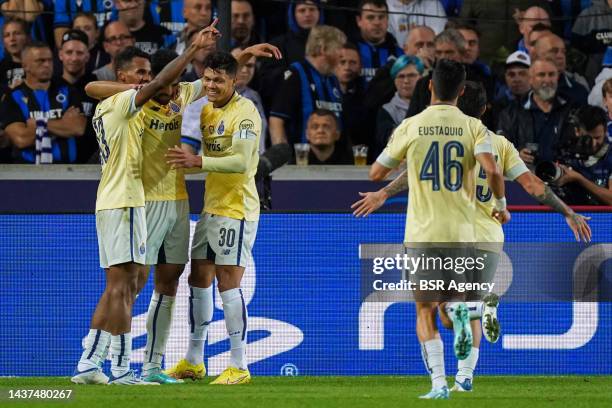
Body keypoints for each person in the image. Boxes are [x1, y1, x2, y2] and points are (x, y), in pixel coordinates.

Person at [353, 80, 592, 393]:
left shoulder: (438, 137)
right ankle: (465, 378)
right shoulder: (500, 144)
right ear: (485, 109)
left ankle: (447, 375)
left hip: (446, 232)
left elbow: (415, 174)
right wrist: (567, 212)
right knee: (458, 311)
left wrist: (383, 193)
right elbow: (534, 185)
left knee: (438, 311)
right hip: (488, 239)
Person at [70, 24, 220, 385]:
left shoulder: (113, 106)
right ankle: (121, 368)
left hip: (117, 201)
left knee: (121, 284)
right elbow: (110, 87)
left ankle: (91, 362)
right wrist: (190, 49)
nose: (148, 79)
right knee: (125, 286)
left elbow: (100, 89)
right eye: (141, 73)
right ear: (122, 76)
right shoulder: (123, 103)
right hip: (127, 201)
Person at [369, 59, 506, 399]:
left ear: (429, 86)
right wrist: (501, 206)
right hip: (462, 236)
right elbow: (493, 170)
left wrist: (407, 161)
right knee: (451, 311)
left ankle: (438, 385)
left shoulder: (411, 125)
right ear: (461, 91)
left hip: (421, 234)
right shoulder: (474, 127)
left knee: (426, 310)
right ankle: (474, 310)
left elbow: (376, 173)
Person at [164, 51, 262, 385]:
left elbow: (242, 162)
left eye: (219, 79)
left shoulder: (246, 113)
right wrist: (244, 53)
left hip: (237, 209)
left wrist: (198, 162)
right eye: (207, 78)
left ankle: (239, 365)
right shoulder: (205, 108)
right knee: (198, 277)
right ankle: (194, 360)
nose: (211, 85)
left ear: (235, 81)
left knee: (228, 281)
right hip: (211, 207)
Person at [0, 42, 86, 164]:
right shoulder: (12, 97)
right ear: (25, 66)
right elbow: (21, 138)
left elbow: (77, 128)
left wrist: (38, 124)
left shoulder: (68, 90)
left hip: (67, 172)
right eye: (40, 61)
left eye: (50, 60)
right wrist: (61, 125)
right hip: (26, 173)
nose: (47, 65)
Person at [269, 25, 346, 150]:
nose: (343, 55)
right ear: (323, 48)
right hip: (300, 161)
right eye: (339, 48)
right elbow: (277, 119)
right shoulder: (296, 74)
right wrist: (281, 158)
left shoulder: (333, 80)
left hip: (332, 161)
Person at [496, 57, 580, 165]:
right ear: (530, 79)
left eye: (551, 74)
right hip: (525, 177)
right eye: (541, 75)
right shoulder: (510, 113)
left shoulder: (572, 109)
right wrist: (516, 154)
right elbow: (499, 148)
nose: (547, 80)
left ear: (558, 77)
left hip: (562, 176)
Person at [555, 105, 612, 206]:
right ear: (577, 131)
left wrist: (579, 178)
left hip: (604, 219)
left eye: (597, 137)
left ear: (605, 130)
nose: (593, 144)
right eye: (587, 138)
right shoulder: (565, 153)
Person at [56, 29, 99, 163]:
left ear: (87, 56)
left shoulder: (97, 87)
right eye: (69, 52)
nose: (74, 58)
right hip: (56, 164)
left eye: (79, 53)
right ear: (60, 55)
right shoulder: (50, 87)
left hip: (92, 163)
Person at [375, 55, 423, 157]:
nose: (406, 81)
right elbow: (394, 142)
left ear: (421, 78)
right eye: (401, 76)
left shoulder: (434, 106)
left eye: (411, 75)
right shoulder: (386, 110)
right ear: (394, 81)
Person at [354, 0, 403, 84]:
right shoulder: (348, 52)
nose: (377, 22)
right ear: (359, 21)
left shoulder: (399, 55)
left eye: (381, 17)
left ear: (388, 20)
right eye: (370, 17)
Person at [532, 33, 589, 105]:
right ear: (539, 55)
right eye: (554, 51)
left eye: (563, 52)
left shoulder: (579, 91)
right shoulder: (524, 89)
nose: (560, 56)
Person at [0, 17, 28, 91]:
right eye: (7, 35)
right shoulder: (1, 68)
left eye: (17, 33)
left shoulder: (38, 65)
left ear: (27, 37)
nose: (12, 39)